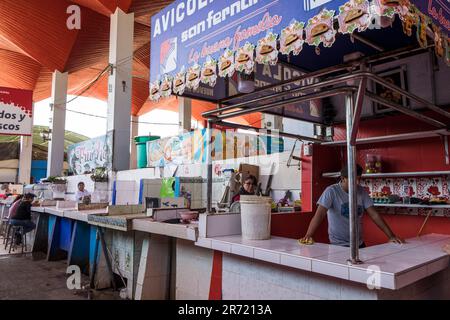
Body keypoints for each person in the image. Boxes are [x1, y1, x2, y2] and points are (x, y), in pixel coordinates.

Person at [300, 165, 404, 248]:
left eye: (359, 179)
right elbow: (319, 215)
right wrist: (308, 235)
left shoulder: (361, 191)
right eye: (354, 179)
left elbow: (374, 215)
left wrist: (391, 236)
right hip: (338, 245)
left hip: (359, 244)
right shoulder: (331, 191)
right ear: (343, 178)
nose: (357, 183)